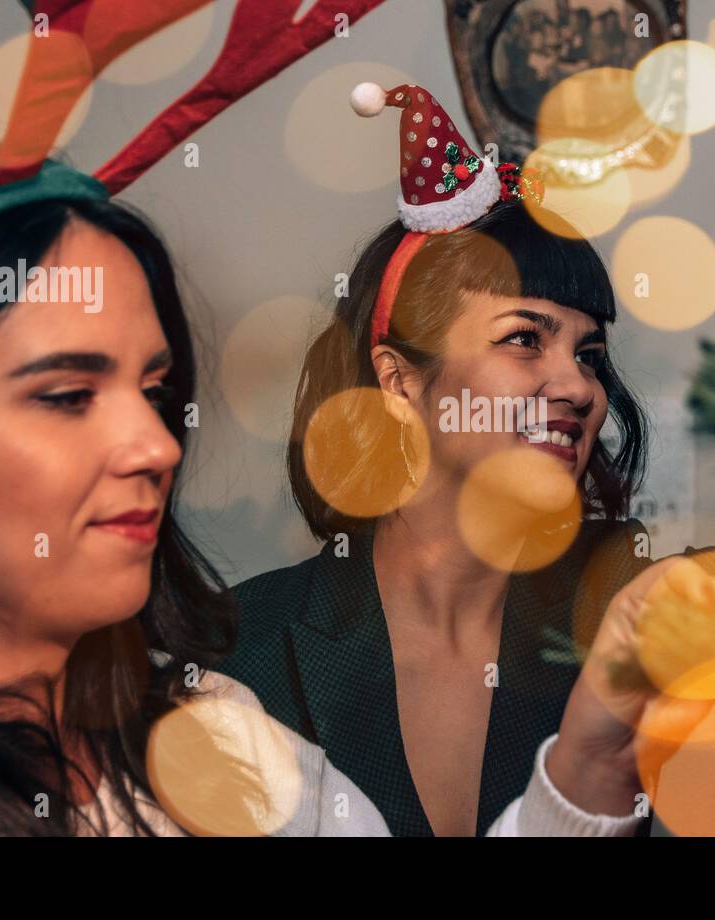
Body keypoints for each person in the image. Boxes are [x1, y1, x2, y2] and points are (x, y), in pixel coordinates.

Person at [0, 148, 686, 837]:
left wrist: (591, 764)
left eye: (157, 393)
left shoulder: (220, 735)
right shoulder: (249, 654)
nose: (159, 443)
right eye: (67, 394)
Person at [219, 82, 656, 836]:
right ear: (400, 381)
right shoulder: (237, 650)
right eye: (525, 337)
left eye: (589, 354)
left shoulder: (620, 642)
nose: (579, 385)